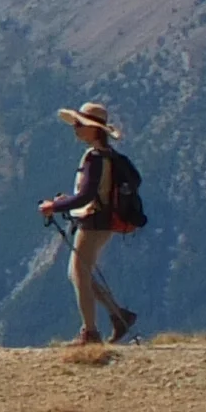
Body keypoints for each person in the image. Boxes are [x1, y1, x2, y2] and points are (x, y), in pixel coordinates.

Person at [38, 101, 139, 345]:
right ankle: (118, 316)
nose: (75, 128)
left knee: (79, 274)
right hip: (103, 220)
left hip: (93, 221)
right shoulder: (108, 156)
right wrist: (66, 202)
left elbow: (86, 196)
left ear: (94, 129)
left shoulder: (94, 158)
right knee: (79, 273)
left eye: (80, 124)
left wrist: (55, 206)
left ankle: (91, 332)